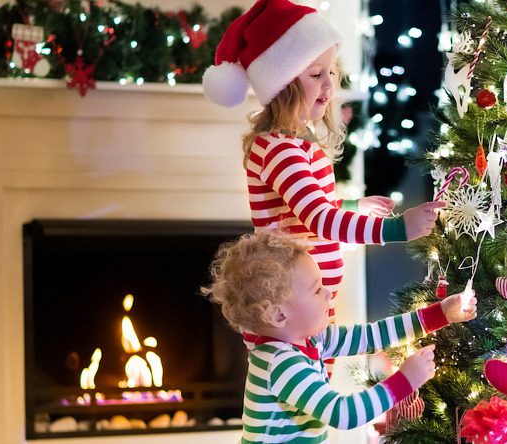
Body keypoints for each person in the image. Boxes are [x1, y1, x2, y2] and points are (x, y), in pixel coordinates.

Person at [202, 0, 445, 330]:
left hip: (307, 301)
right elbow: (318, 219)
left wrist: (353, 206)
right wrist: (398, 229)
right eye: (316, 74)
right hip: (291, 306)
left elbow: (300, 212)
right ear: (282, 84)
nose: (329, 85)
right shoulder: (280, 149)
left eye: (332, 71)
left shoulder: (296, 142)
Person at [202, 230, 477, 443]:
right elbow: (342, 413)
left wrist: (440, 314)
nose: (327, 293)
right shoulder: (281, 364)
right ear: (278, 315)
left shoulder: (311, 339)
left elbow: (370, 336)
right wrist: (405, 380)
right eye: (316, 289)